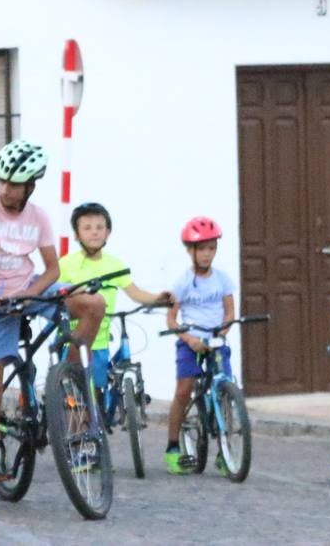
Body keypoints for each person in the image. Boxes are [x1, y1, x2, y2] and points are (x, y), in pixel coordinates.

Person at [0, 140, 106, 509]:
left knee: (93, 303)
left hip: (30, 289)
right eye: (2, 181)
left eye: (14, 184)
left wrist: (31, 294)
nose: (5, 189)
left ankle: (68, 376)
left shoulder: (39, 217)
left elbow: (53, 270)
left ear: (30, 186)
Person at [57, 202, 172, 395]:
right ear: (76, 234)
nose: (94, 232)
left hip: (100, 342)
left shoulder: (116, 265)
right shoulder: (66, 264)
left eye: (99, 227)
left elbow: (135, 293)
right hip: (72, 340)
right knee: (71, 395)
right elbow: (56, 296)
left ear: (108, 232)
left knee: (97, 394)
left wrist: (157, 298)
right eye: (87, 228)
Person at [163, 216, 235, 475]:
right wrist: (189, 339)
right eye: (201, 249)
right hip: (190, 342)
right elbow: (171, 319)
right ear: (190, 251)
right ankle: (173, 447)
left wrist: (222, 331)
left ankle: (225, 452)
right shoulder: (182, 282)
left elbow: (230, 312)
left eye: (211, 248)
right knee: (184, 391)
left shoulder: (223, 279)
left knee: (226, 390)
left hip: (215, 340)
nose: (207, 254)